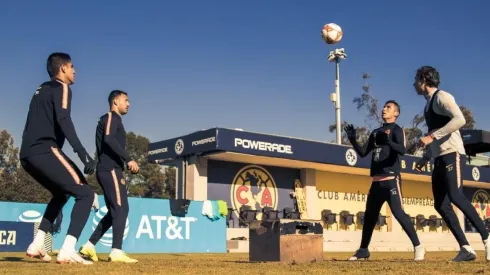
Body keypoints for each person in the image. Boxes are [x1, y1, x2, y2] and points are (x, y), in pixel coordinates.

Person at [20, 52, 97, 264]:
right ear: (63, 68)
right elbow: (64, 119)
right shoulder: (62, 87)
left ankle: (37, 244)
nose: (75, 71)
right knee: (86, 194)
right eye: (72, 66)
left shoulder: (40, 89)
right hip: (45, 149)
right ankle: (68, 249)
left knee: (61, 194)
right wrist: (83, 154)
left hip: (26, 155)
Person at [414, 65, 489, 262]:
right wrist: (426, 157)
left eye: (416, 79)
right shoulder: (428, 105)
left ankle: (487, 237)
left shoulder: (442, 97)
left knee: (456, 196)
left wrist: (431, 136)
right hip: (438, 157)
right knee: (441, 205)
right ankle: (466, 248)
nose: (414, 83)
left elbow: (460, 119)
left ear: (424, 80)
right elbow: (436, 136)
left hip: (453, 153)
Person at [344, 100, 425, 261]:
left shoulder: (397, 130)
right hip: (376, 182)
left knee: (399, 213)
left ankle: (418, 247)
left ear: (396, 113)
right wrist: (353, 139)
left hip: (391, 180)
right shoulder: (375, 132)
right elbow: (363, 153)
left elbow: (402, 150)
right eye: (384, 107)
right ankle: (363, 250)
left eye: (388, 107)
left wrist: (388, 141)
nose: (384, 109)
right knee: (369, 217)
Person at [79, 90, 139, 263]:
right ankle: (116, 252)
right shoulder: (112, 117)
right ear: (115, 102)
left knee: (116, 211)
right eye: (126, 100)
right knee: (121, 209)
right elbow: (108, 139)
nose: (129, 104)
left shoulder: (111, 119)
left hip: (109, 169)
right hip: (110, 169)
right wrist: (128, 159)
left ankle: (89, 246)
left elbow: (109, 141)